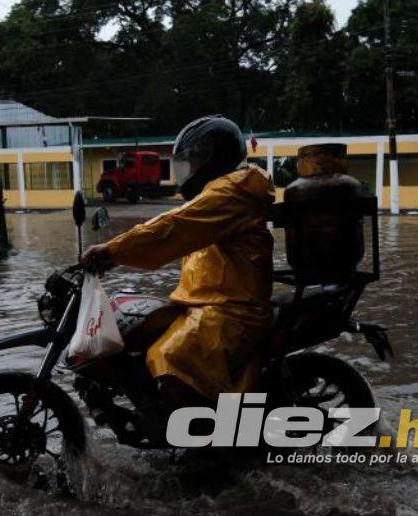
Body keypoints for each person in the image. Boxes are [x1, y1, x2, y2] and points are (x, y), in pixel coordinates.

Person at [80, 115, 275, 412]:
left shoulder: (233, 192)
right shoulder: (218, 191)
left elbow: (173, 228)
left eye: (192, 162)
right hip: (202, 303)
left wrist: (113, 250)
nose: (188, 171)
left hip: (232, 309)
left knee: (169, 356)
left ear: (213, 159)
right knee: (138, 324)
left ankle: (213, 443)